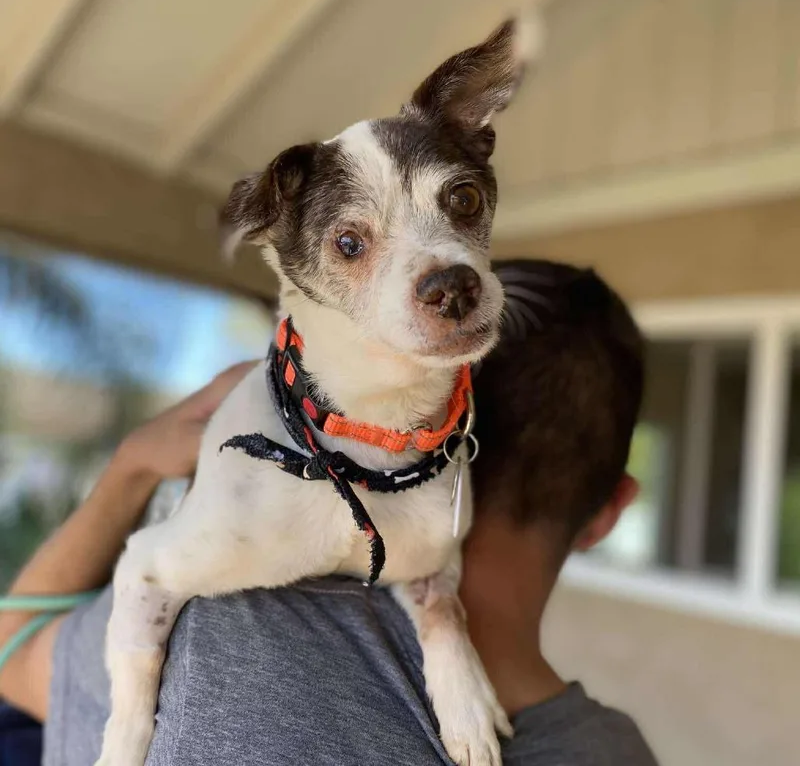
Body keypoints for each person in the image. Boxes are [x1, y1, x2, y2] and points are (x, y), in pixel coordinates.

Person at [0, 259, 658, 766]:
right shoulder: (619, 753)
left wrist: (134, 464)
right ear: (611, 512)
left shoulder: (229, 629)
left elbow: (12, 648)